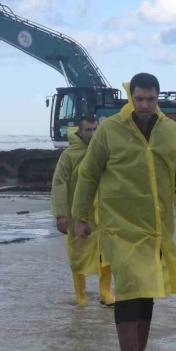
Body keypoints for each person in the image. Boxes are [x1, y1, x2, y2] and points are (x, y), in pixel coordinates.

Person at [72, 73, 176, 351]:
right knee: (129, 289)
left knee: (146, 291)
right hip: (119, 225)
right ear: (130, 97)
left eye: (150, 99)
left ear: (157, 98)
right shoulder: (110, 130)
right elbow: (89, 174)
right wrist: (80, 216)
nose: (145, 104)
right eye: (139, 98)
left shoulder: (171, 132)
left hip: (155, 227)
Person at [51, 115, 115, 307]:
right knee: (78, 253)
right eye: (89, 129)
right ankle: (81, 296)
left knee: (107, 252)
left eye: (96, 129)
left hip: (103, 213)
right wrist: (60, 214)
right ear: (79, 132)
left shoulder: (105, 152)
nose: (93, 133)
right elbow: (59, 184)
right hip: (77, 214)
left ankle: (105, 293)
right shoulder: (69, 156)